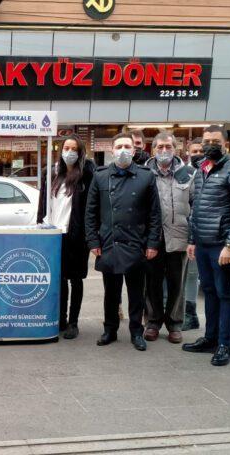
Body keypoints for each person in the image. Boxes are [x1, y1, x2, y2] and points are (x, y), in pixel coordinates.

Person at [85, 132, 162, 351]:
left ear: (134, 149)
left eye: (127, 146)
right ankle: (110, 329)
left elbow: (154, 214)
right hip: (109, 242)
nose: (123, 150)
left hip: (136, 243)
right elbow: (91, 212)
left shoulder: (146, 176)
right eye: (118, 146)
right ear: (112, 150)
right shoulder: (100, 176)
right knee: (111, 292)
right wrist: (92, 241)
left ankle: (137, 332)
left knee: (136, 292)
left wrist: (152, 244)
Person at [183, 125, 230, 366]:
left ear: (226, 144)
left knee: (225, 294)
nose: (209, 144)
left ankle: (225, 344)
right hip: (202, 243)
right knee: (209, 292)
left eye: (214, 140)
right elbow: (196, 207)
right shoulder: (203, 168)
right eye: (206, 140)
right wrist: (192, 240)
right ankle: (210, 338)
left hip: (222, 245)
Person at [36, 135, 95, 339]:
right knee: (59, 280)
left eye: (74, 149)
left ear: (80, 153)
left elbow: (90, 208)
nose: (69, 152)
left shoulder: (86, 176)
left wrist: (90, 235)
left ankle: (73, 322)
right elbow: (43, 203)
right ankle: (60, 318)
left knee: (75, 279)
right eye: (66, 148)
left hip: (76, 236)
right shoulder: (52, 174)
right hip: (54, 234)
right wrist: (39, 224)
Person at [143, 132, 195, 344]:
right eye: (160, 147)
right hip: (153, 238)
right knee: (152, 282)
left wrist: (193, 238)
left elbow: (195, 207)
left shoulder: (189, 174)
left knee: (177, 283)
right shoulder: (144, 173)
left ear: (176, 149)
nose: (164, 151)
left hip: (179, 236)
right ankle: (153, 322)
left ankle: (174, 324)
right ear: (153, 149)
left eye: (168, 147)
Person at [183, 138, 204, 331]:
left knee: (192, 274)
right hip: (182, 232)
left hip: (198, 232)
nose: (197, 154)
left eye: (200, 150)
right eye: (194, 151)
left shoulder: (207, 172)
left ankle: (191, 314)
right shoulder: (185, 173)